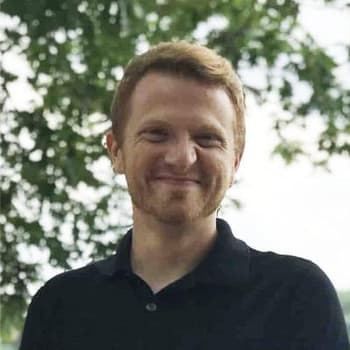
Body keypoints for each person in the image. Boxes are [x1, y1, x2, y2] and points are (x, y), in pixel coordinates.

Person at [20, 41, 349, 350]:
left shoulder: (296, 298)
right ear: (116, 149)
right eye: (157, 134)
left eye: (207, 138)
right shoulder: (61, 307)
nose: (182, 157)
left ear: (235, 160)